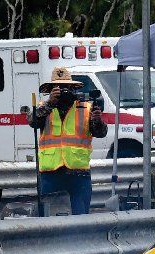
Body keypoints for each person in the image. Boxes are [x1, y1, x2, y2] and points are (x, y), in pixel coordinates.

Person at [30, 67, 107, 215]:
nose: (63, 91)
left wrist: (98, 121)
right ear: (51, 90)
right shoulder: (43, 108)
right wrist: (50, 103)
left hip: (79, 174)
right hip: (51, 173)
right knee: (50, 219)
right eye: (58, 88)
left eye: (66, 87)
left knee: (81, 218)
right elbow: (32, 121)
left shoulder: (86, 108)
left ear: (73, 88)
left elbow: (101, 133)